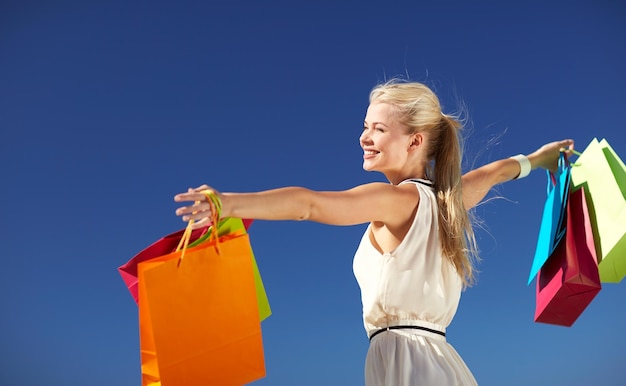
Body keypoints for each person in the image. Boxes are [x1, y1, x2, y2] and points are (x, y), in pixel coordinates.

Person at [174, 80, 574, 385]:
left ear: (415, 141)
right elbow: (498, 171)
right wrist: (541, 158)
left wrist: (227, 203)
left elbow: (308, 204)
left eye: (378, 129)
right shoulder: (450, 198)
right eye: (366, 127)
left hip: (411, 368)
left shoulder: (396, 200)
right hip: (434, 362)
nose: (364, 138)